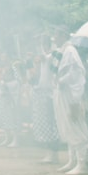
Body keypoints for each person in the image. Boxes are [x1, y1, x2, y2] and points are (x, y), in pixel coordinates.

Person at [53, 31, 88, 175]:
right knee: (67, 126)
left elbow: (75, 73)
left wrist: (61, 80)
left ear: (62, 36)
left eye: (56, 36)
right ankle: (72, 160)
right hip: (63, 94)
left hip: (71, 96)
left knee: (76, 126)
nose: (54, 38)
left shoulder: (70, 51)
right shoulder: (61, 50)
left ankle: (82, 163)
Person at [30, 34, 61, 164]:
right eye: (42, 44)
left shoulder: (55, 55)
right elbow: (34, 76)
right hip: (41, 93)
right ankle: (50, 153)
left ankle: (53, 154)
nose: (43, 46)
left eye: (44, 43)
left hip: (50, 94)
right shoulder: (43, 57)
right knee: (44, 124)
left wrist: (43, 56)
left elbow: (47, 59)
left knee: (51, 124)